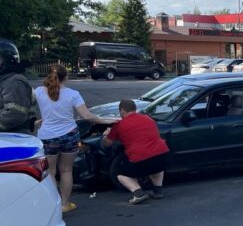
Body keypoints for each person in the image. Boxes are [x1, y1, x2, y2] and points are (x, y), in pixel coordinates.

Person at [34, 65, 117, 213]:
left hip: (47, 137)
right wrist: (105, 120)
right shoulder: (73, 94)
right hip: (69, 135)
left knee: (50, 171)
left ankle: (54, 203)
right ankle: (65, 204)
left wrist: (39, 121)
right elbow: (87, 116)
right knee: (66, 170)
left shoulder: (39, 92)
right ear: (66, 77)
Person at [102, 99, 170, 204]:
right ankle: (158, 191)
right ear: (135, 109)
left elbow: (107, 143)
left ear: (122, 110)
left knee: (121, 174)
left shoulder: (119, 125)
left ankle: (138, 193)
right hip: (163, 155)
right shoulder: (148, 118)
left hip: (141, 159)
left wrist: (106, 134)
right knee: (157, 165)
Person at [0, 38, 39, 134]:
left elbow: (13, 116)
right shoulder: (4, 80)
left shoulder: (14, 82)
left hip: (14, 140)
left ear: (9, 60)